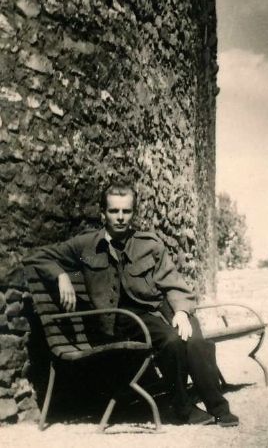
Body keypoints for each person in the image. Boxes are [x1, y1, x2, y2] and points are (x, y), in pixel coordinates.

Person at [25, 181, 239, 428]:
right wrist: (61, 275)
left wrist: (181, 311)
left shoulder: (149, 244)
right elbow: (37, 256)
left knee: (194, 339)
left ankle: (218, 408)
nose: (120, 217)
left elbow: (173, 282)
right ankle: (183, 408)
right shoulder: (86, 245)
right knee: (171, 341)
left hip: (161, 308)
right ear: (103, 213)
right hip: (125, 319)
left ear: (133, 213)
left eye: (126, 211)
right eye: (114, 211)